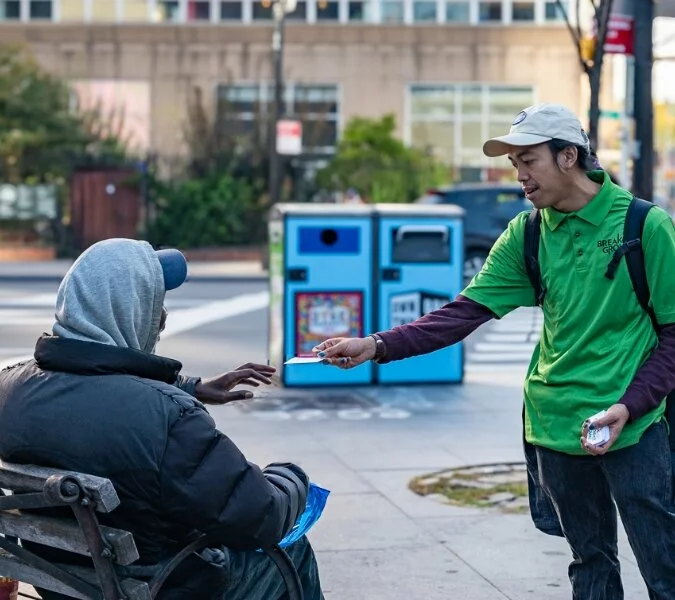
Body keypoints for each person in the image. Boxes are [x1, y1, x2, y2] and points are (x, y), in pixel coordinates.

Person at [314, 103, 675, 599]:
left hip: (634, 425)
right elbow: (463, 314)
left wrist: (629, 405)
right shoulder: (527, 233)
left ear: (568, 156)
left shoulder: (644, 227)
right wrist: (376, 345)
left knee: (665, 566)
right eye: (515, 164)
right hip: (554, 424)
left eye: (529, 160)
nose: (520, 176)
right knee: (590, 562)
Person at [0, 238, 324, 600]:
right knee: (290, 546)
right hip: (163, 587)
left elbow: (95, 391)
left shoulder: (10, 388)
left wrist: (188, 386)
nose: (162, 317)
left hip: (63, 581)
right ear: (130, 310)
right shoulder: (168, 420)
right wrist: (292, 477)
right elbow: (259, 517)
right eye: (155, 302)